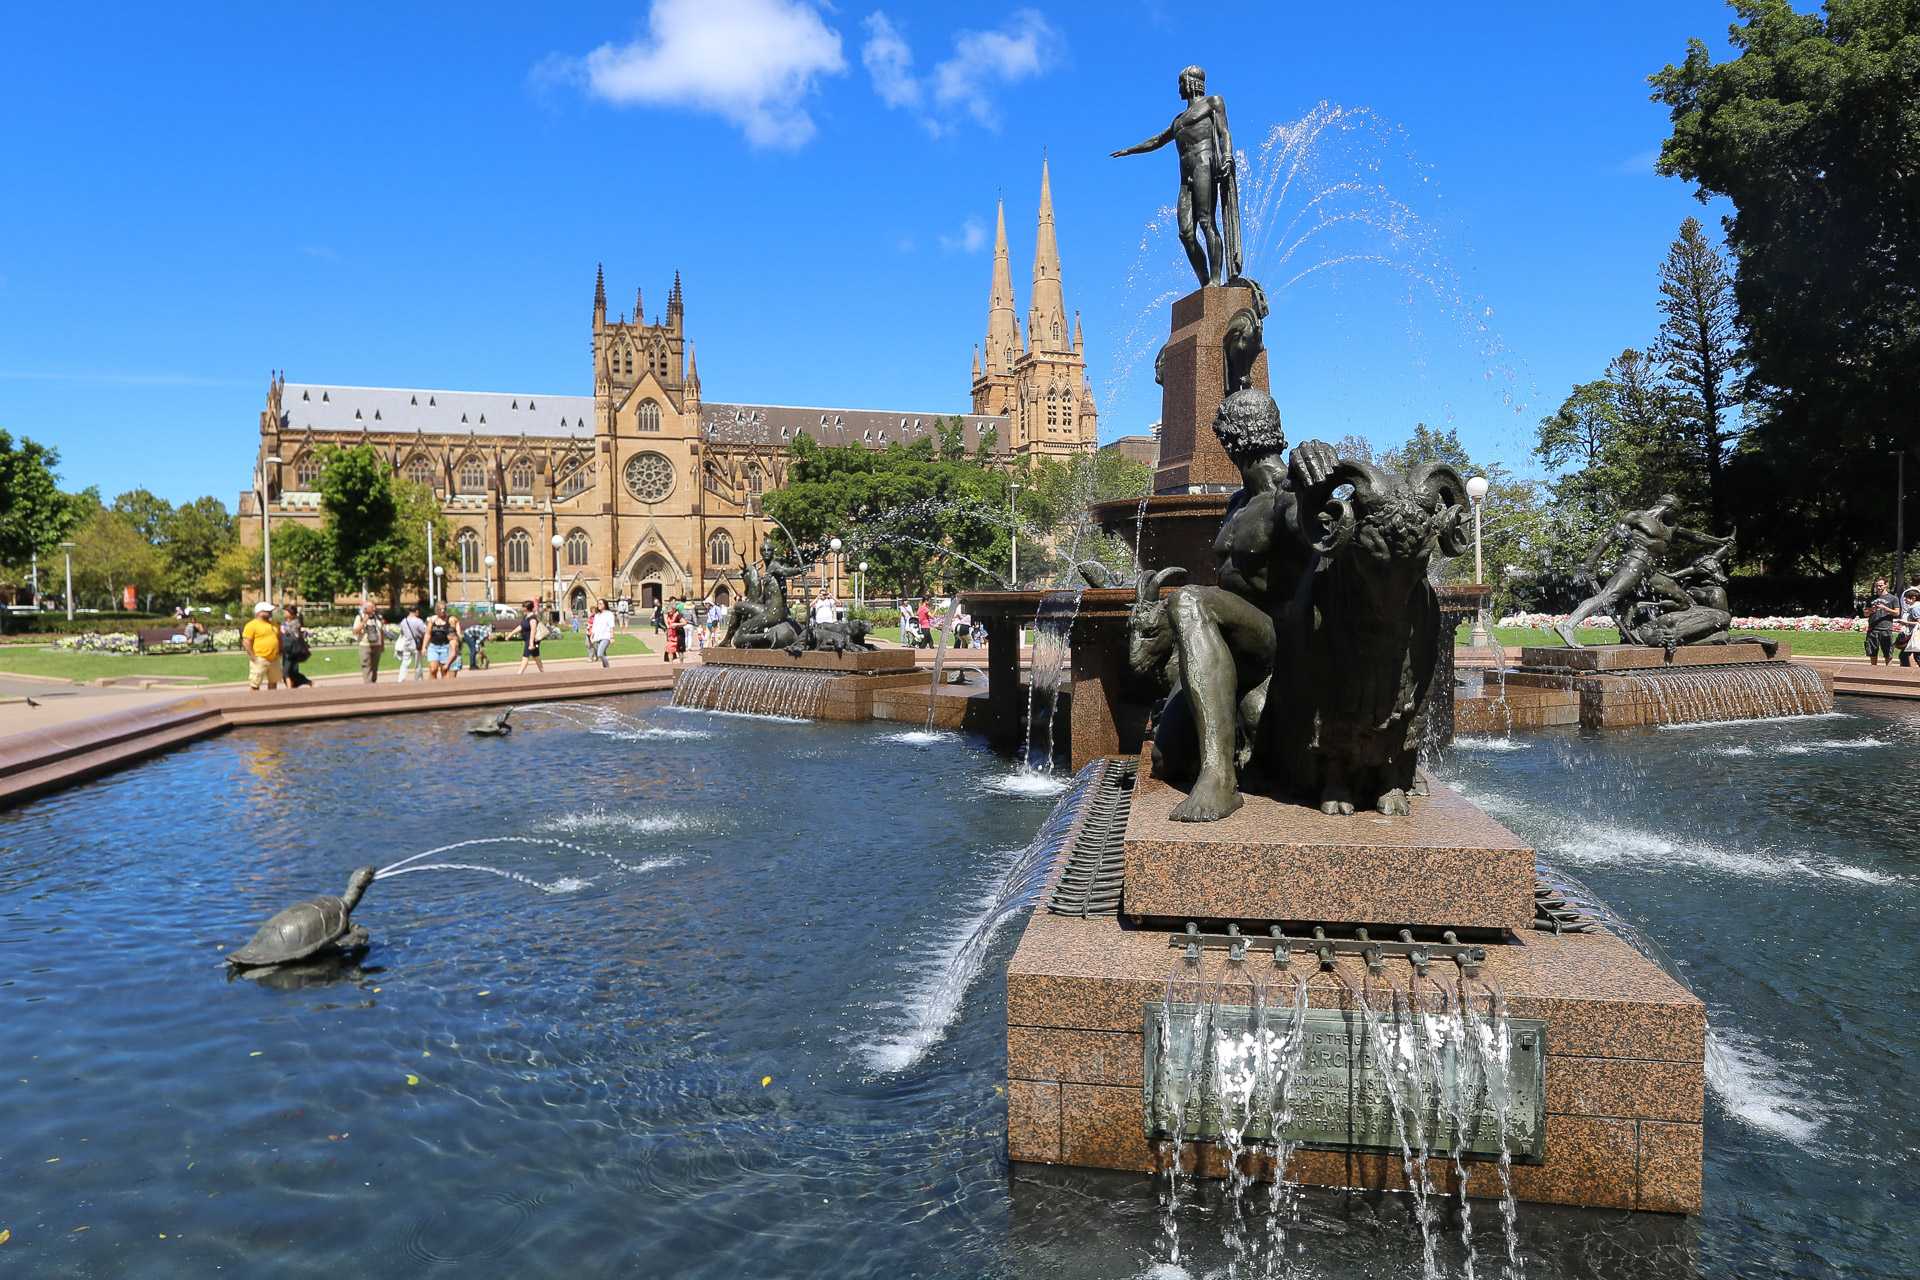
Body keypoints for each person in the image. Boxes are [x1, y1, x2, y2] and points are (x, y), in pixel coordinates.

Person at [242, 601, 282, 691]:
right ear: (259, 612)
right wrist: (253, 655)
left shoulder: (274, 624)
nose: (270, 613)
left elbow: (279, 638)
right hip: (260, 658)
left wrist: (280, 651)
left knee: (273, 682)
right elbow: (246, 641)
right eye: (267, 611)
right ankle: (255, 702)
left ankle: (271, 701)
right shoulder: (252, 625)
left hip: (274, 658)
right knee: (255, 683)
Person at [1866, 578, 1901, 665]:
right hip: (1873, 628)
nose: (1878, 587)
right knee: (1872, 651)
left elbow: (1897, 612)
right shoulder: (1871, 598)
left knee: (1888, 652)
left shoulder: (1893, 598)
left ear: (1886, 585)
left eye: (1881, 585)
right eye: (1877, 586)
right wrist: (1872, 609)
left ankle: (1888, 672)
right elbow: (1866, 613)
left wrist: (1885, 608)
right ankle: (1873, 670)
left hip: (1886, 628)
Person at [280, 603, 313, 689]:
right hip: (287, 648)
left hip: (292, 649)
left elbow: (296, 636)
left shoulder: (294, 623)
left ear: (291, 612)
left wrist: (285, 632)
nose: (284, 613)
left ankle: (291, 689)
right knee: (291, 671)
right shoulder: (287, 622)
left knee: (287, 671)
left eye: (286, 612)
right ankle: (295, 686)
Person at [351, 601, 385, 683]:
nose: (374, 609)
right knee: (366, 665)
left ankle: (373, 682)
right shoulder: (359, 617)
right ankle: (368, 684)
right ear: (366, 609)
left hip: (377, 644)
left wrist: (382, 644)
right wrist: (363, 622)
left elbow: (381, 631)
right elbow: (355, 631)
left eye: (374, 607)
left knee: (375, 666)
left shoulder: (378, 617)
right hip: (365, 645)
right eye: (372, 607)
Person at [396, 603, 428, 681]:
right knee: (418, 663)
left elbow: (402, 631)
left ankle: (401, 679)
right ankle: (418, 679)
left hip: (406, 643)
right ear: (416, 611)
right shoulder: (418, 621)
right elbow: (424, 631)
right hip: (416, 644)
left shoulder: (404, 621)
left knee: (405, 662)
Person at [424, 604, 455, 679]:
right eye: (441, 609)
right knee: (433, 669)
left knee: (444, 670)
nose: (443, 611)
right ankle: (432, 687)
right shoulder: (432, 620)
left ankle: (445, 688)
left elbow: (454, 634)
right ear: (437, 610)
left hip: (445, 647)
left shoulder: (449, 620)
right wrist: (424, 647)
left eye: (444, 609)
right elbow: (428, 634)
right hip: (433, 646)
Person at [516, 599, 546, 674]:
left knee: (525, 656)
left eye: (524, 606)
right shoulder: (526, 617)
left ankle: (519, 673)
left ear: (527, 607)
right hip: (528, 639)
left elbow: (533, 630)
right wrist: (511, 634)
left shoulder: (532, 618)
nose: (522, 608)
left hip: (531, 640)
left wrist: (531, 643)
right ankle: (542, 671)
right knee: (535, 656)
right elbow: (521, 626)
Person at [589, 598, 615, 668]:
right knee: (603, 654)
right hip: (598, 637)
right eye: (598, 604)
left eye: (601, 604)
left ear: (605, 605)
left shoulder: (609, 614)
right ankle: (605, 670)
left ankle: (608, 667)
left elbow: (611, 626)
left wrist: (612, 637)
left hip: (605, 636)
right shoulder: (597, 615)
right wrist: (592, 636)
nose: (599, 605)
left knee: (600, 654)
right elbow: (594, 627)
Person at [1899, 588, 1920, 669]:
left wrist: (1906, 623)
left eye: (1907, 598)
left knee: (1913, 656)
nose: (1905, 601)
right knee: (1906, 655)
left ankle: (1906, 674)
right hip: (1913, 636)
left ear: (1913, 598)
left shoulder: (1915, 609)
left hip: (1914, 636)